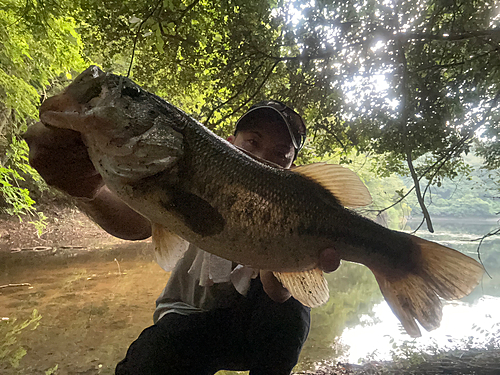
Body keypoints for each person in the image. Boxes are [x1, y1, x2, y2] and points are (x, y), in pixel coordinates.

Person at [25, 100, 341, 375]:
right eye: (253, 142)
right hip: (185, 320)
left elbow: (279, 298)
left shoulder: (293, 215)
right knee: (151, 360)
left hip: (251, 329)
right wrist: (84, 189)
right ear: (229, 143)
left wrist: (296, 254)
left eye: (279, 154)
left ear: (290, 170)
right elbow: (135, 224)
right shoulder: (194, 178)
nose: (261, 158)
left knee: (293, 312)